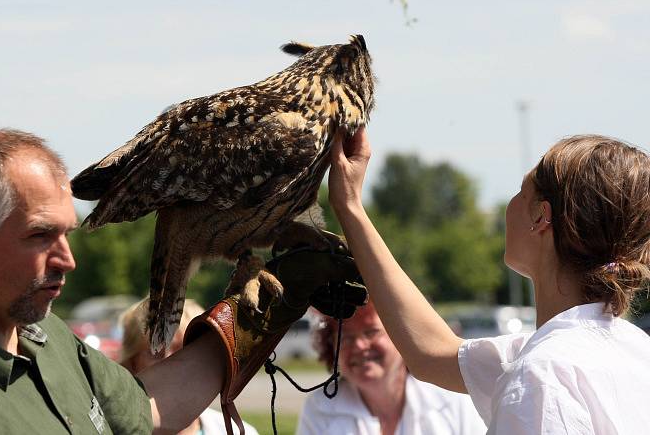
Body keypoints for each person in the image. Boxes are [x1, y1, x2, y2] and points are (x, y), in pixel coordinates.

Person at [0, 128, 365, 435]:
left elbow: (146, 409)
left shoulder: (47, 339)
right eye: (39, 236)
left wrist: (265, 311)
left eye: (67, 233)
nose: (67, 259)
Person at [328, 129, 650, 434]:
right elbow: (431, 353)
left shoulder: (543, 376)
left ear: (540, 216)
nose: (510, 205)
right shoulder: (633, 350)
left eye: (521, 192)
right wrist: (350, 205)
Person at [297, 302, 486, 435]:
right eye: (346, 337)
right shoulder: (320, 408)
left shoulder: (452, 400)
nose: (360, 346)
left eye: (371, 332)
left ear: (405, 337)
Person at [120, 298, 260, 435]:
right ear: (132, 364)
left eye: (183, 351)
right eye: (156, 351)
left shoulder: (238, 431)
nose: (170, 361)